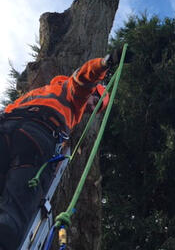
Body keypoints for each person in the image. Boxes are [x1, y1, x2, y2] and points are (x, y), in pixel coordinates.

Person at [0, 51, 122, 250]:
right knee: (16, 214)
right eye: (95, 103)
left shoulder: (42, 92)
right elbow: (83, 78)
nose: (91, 109)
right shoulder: (74, 93)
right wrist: (105, 63)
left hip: (7, 127)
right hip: (36, 137)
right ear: (94, 92)